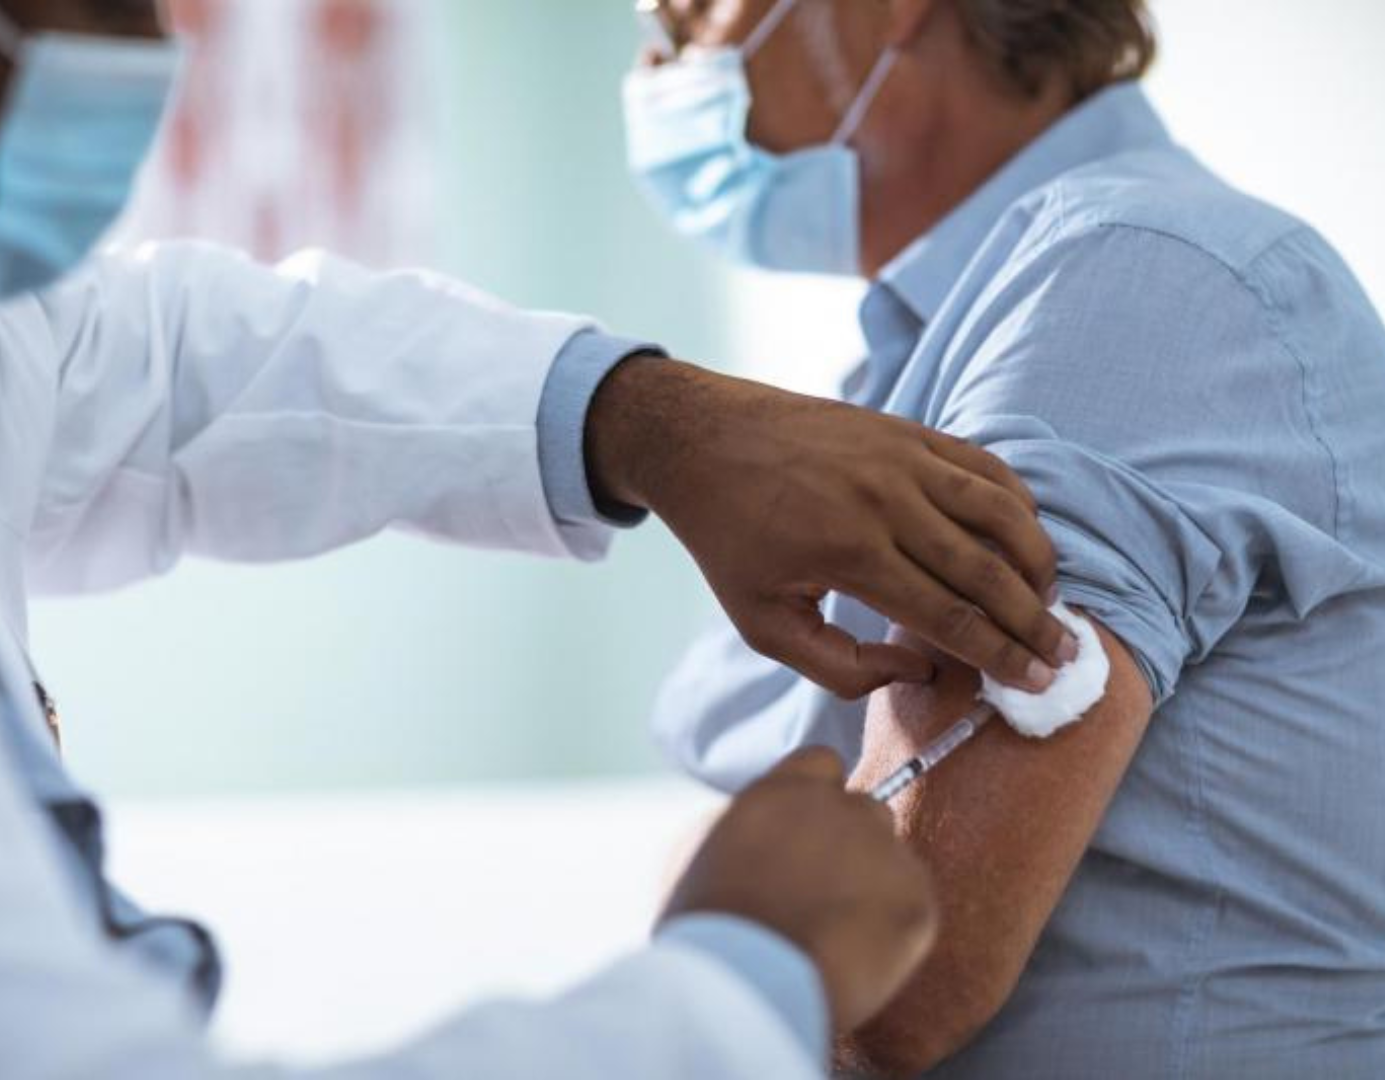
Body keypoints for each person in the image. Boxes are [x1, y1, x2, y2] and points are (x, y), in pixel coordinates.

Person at [0, 2, 1078, 1078]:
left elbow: (175, 364)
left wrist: (640, 419)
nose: (142, 50)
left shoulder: (1112, 279)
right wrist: (733, 994)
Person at [642, 0, 1385, 1076]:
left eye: (690, 10)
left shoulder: (1128, 277)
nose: (659, 56)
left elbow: (893, 972)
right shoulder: (935, 349)